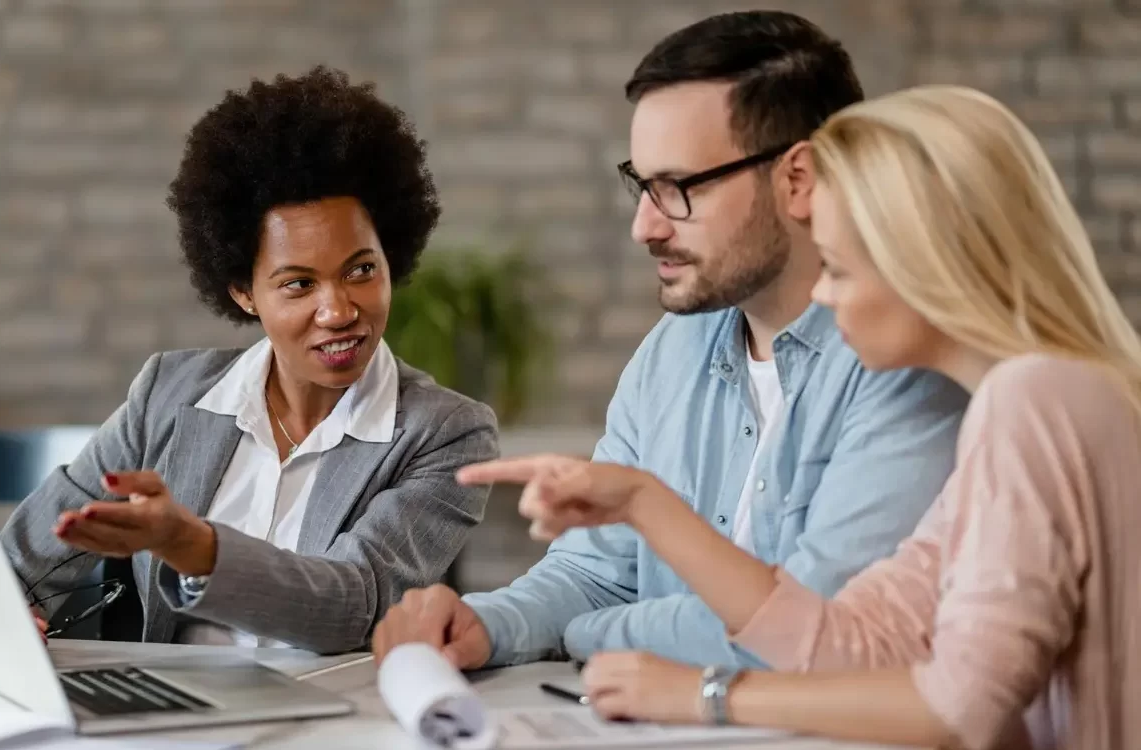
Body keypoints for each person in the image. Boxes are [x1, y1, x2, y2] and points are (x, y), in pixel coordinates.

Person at [460, 85, 1141, 750]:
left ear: (926, 264)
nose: (823, 294)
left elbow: (963, 710)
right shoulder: (1044, 398)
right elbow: (854, 641)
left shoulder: (1032, 399)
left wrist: (702, 694)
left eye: (838, 268)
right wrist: (642, 501)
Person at [372, 10, 968, 671]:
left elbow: (815, 633)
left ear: (797, 179)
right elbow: (595, 572)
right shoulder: (672, 351)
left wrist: (587, 633)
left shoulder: (907, 360)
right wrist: (486, 623)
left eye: (679, 187)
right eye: (642, 184)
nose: (645, 227)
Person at [0, 65, 499, 661]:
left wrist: (194, 546)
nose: (338, 311)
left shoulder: (446, 433)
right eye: (299, 284)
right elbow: (17, 558)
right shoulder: (168, 396)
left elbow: (353, 605)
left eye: (361, 270)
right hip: (170, 704)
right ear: (244, 292)